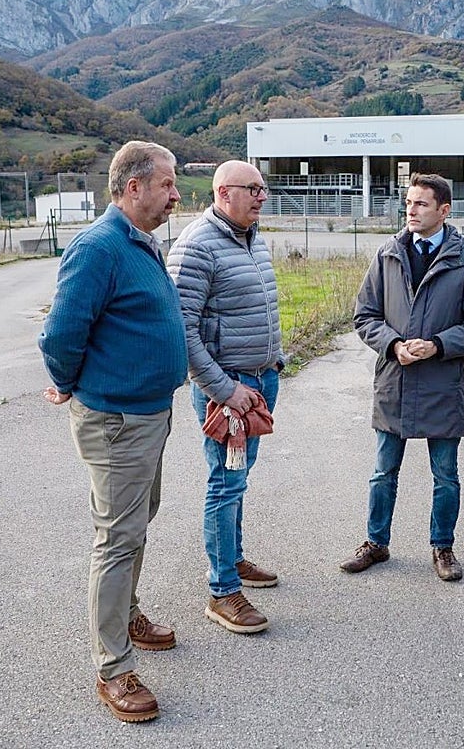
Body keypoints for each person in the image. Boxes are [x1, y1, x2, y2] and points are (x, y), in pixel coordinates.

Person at [38, 141, 186, 723]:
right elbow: (60, 335)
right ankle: (113, 666)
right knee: (117, 536)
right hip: (118, 421)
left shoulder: (139, 243)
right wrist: (71, 384)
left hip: (148, 415)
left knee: (137, 521)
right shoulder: (98, 247)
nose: (176, 194)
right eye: (168, 184)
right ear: (133, 188)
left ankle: (126, 614)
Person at [342, 172, 464, 581]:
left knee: (445, 474)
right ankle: (376, 542)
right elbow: (365, 315)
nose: (411, 209)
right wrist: (393, 344)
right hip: (394, 380)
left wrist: (437, 345)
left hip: (441, 384)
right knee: (382, 471)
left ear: (444, 210)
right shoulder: (387, 253)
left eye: (421, 203)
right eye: (409, 202)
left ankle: (443, 548)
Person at [167, 160, 285, 635]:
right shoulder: (197, 245)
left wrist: (276, 357)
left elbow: (261, 306)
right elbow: (183, 329)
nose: (261, 196)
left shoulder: (252, 237)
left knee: (239, 476)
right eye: (252, 189)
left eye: (263, 188)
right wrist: (225, 389)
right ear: (222, 193)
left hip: (259, 380)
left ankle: (233, 560)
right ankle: (222, 591)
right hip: (229, 388)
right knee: (225, 481)